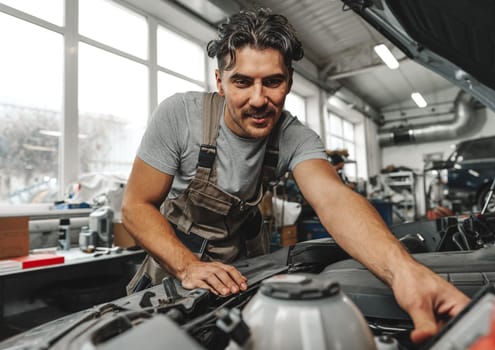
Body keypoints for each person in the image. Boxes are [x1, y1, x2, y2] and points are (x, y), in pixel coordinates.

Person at [121, 7, 469, 344]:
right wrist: (187, 267)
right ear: (220, 82)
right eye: (242, 82)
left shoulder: (294, 136)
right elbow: (136, 206)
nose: (258, 99)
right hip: (169, 276)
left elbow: (334, 199)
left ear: (289, 81)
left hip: (236, 279)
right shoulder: (181, 116)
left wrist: (403, 270)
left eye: (272, 82)